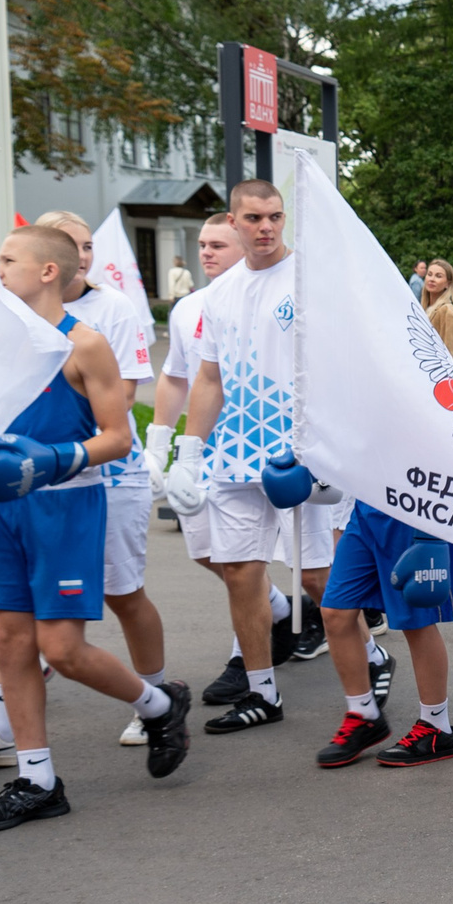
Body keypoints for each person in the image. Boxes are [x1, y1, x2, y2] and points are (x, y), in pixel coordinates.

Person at [0, 224, 192, 831]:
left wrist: (55, 460)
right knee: (8, 641)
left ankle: (159, 705)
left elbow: (117, 436)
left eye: (8, 259)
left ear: (48, 271)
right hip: (15, 507)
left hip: (68, 503)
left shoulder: (85, 345)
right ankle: (37, 779)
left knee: (62, 649)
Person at [181, 180, 338, 733]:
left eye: (275, 216)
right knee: (241, 573)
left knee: (319, 578)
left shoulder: (310, 280)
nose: (266, 227)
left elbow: (340, 365)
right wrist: (186, 452)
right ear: (235, 221)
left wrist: (333, 446)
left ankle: (371, 660)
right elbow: (208, 377)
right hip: (235, 453)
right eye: (254, 218)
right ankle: (262, 692)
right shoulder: (218, 294)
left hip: (298, 454)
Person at [138, 216, 305, 726]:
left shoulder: (293, 290)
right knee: (220, 560)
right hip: (220, 455)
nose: (206, 253)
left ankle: (353, 664)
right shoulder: (195, 306)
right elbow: (180, 379)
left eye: (217, 244)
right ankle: (274, 631)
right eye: (202, 245)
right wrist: (162, 447)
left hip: (286, 452)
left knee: (305, 575)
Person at [35, 211, 173, 751]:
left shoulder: (111, 309)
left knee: (122, 593)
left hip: (108, 476)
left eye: (89, 245)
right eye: (72, 244)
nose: (85, 255)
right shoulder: (17, 311)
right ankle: (4, 718)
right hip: (41, 479)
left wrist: (58, 453)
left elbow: (124, 401)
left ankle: (157, 698)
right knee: (25, 603)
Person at [313, 501, 453, 768]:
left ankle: (437, 726)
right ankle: (363, 714)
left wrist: (432, 529)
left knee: (416, 619)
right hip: (367, 505)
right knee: (335, 612)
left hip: (414, 506)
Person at [421, 259, 453, 358]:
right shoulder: (423, 309)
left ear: (448, 283)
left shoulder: (448, 311)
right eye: (429, 274)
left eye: (438, 276)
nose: (432, 279)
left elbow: (451, 353)